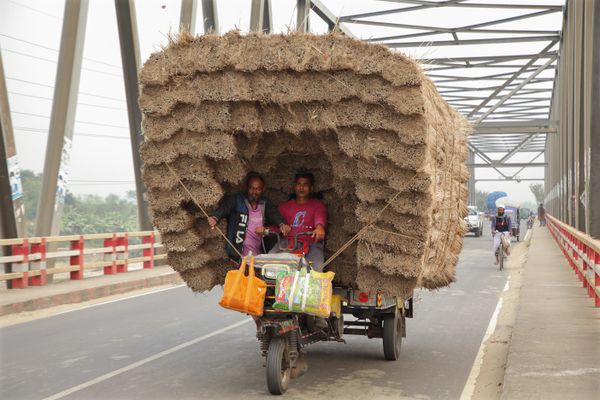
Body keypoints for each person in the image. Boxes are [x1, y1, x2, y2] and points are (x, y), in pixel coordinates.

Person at [208, 172, 291, 262]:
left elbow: (274, 214)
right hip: (238, 253)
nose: (254, 192)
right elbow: (224, 208)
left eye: (258, 189)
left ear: (263, 190)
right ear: (247, 188)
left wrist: (282, 224)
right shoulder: (237, 200)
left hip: (257, 254)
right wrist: (215, 217)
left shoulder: (265, 203)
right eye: (251, 188)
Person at [271, 172, 327, 271]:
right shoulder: (284, 207)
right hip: (287, 244)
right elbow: (276, 227)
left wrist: (319, 227)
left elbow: (320, 219)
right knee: (270, 264)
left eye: (305, 185)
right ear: (294, 186)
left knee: (317, 271)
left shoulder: (318, 205)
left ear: (311, 188)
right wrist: (266, 230)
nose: (301, 188)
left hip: (311, 244)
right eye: (299, 184)